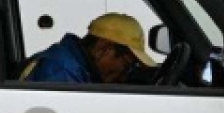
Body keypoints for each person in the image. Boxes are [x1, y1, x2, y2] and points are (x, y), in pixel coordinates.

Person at [22, 12, 157, 84]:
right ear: (104, 48)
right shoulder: (64, 72)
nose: (123, 77)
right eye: (126, 65)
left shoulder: (73, 64)